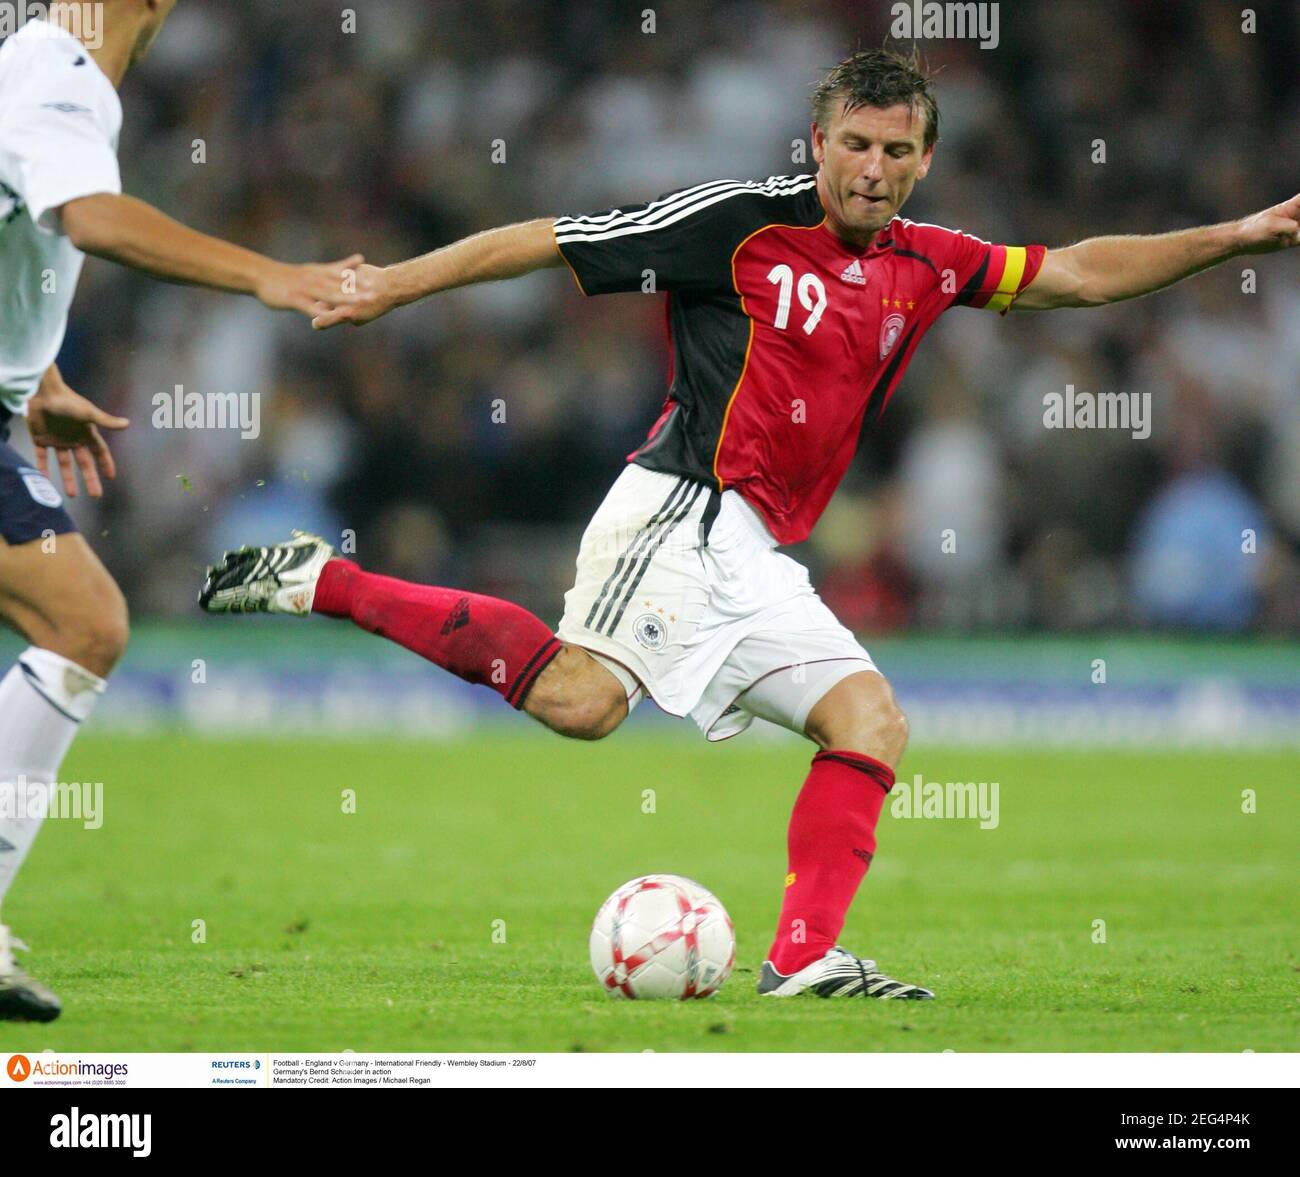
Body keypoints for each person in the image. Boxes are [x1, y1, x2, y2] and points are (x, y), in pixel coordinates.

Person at [201, 47, 1298, 1001]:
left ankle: (804, 959)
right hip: (679, 507)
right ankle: (322, 581)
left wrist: (1238, 233)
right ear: (815, 141)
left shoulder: (928, 260)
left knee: (867, 722)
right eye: (856, 144)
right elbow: (549, 236)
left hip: (758, 548)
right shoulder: (734, 226)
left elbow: (1073, 271)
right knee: (585, 706)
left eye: (898, 151)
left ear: (925, 159)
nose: (874, 169)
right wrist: (392, 284)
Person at [0, 0, 370, 1021]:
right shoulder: (60, 69)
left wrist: (37, 379)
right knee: (83, 623)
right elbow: (91, 217)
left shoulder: (29, 69)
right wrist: (268, 276)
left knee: (76, 622)